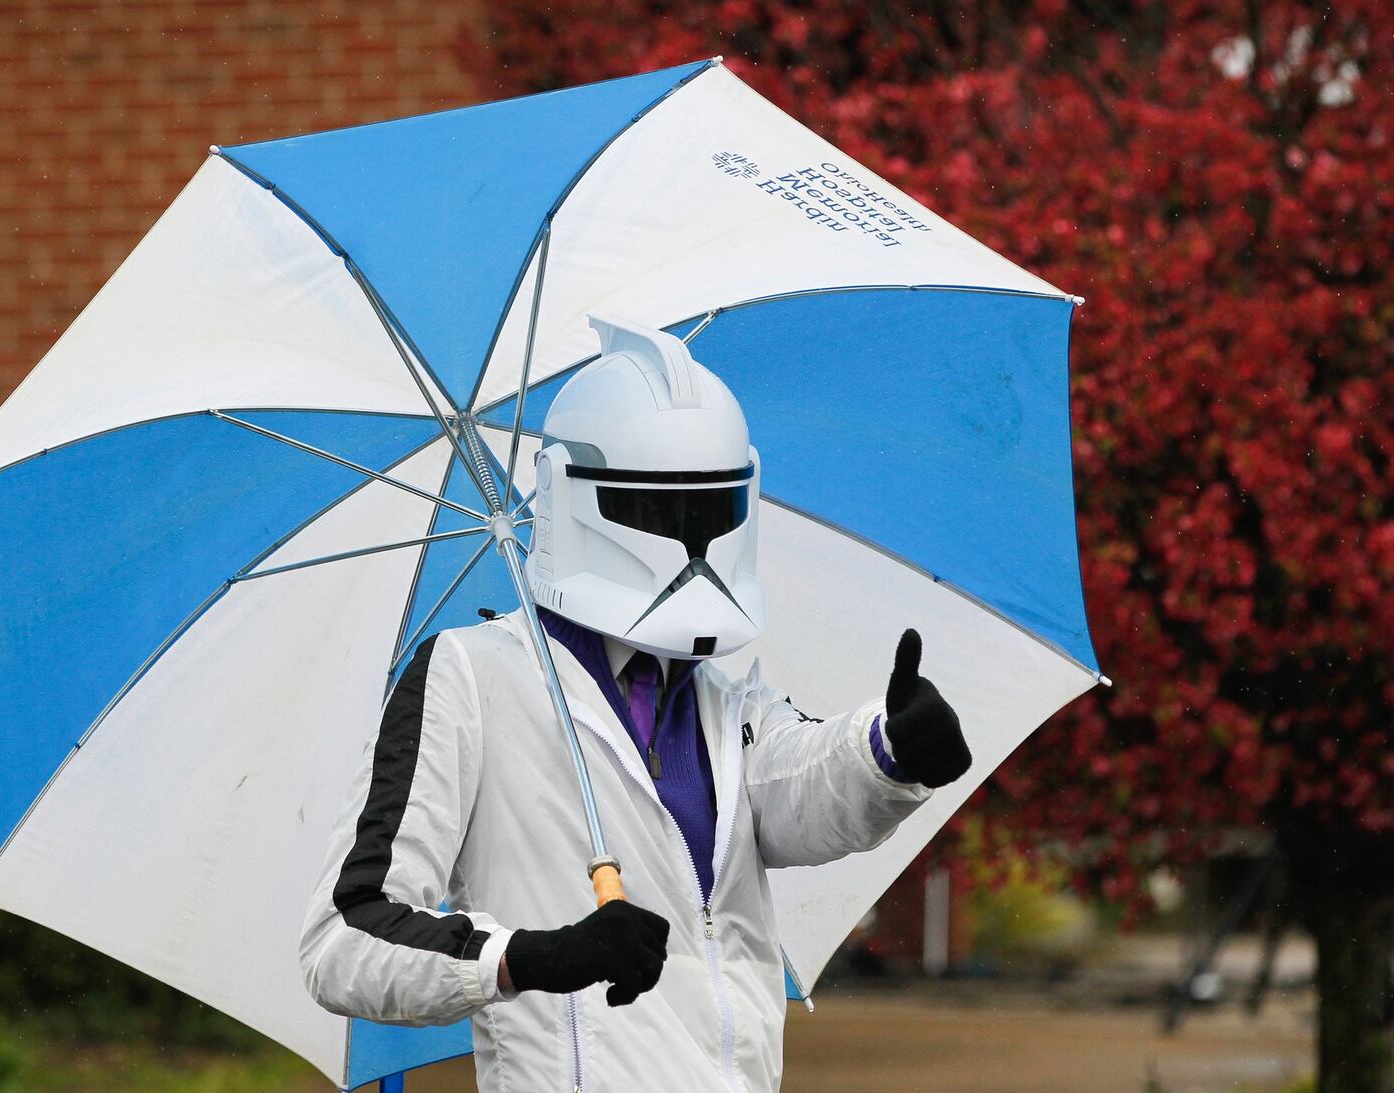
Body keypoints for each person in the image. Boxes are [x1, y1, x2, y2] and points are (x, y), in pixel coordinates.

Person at [299, 315, 972, 1091]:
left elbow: (789, 792)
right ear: (576, 500)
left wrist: (886, 752)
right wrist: (530, 956)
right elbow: (345, 935)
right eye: (659, 511)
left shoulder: (718, 690)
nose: (691, 541)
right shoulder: (471, 680)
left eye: (712, 510)